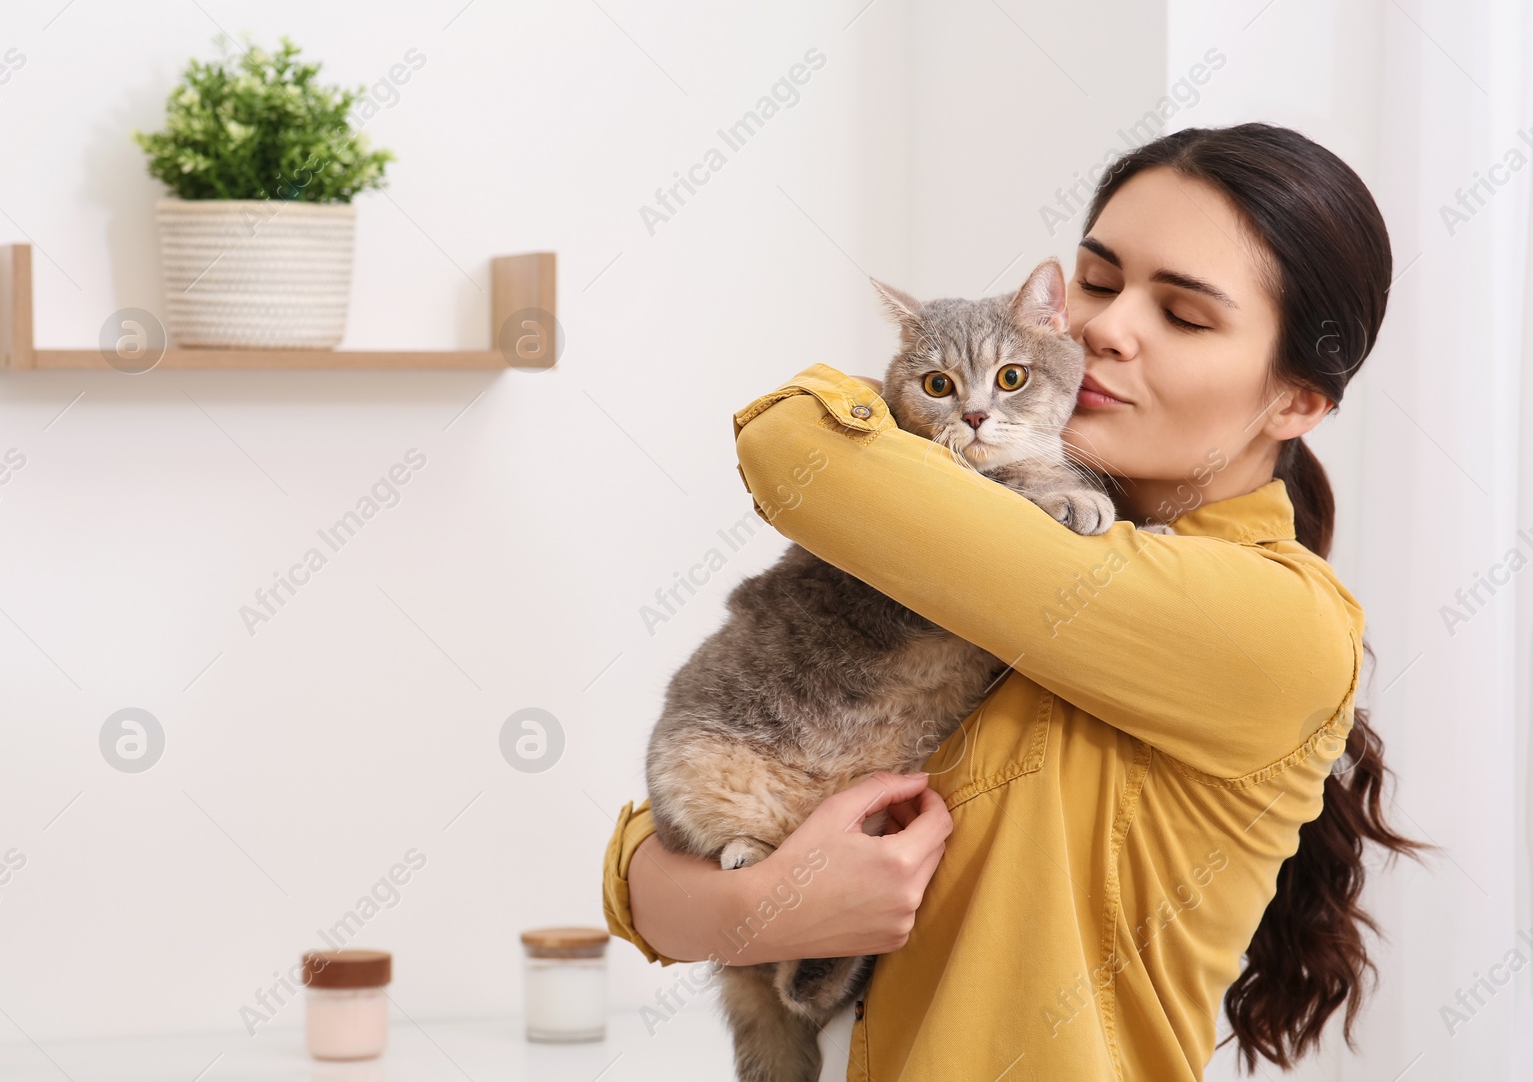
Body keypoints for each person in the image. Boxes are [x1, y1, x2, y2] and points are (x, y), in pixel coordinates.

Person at [601, 122, 1425, 1081]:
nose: (1109, 329)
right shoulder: (977, 550)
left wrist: (742, 911)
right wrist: (763, 906)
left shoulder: (1276, 624)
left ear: (1295, 400)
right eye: (1101, 282)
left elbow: (797, 448)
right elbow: (641, 868)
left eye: (1187, 316)